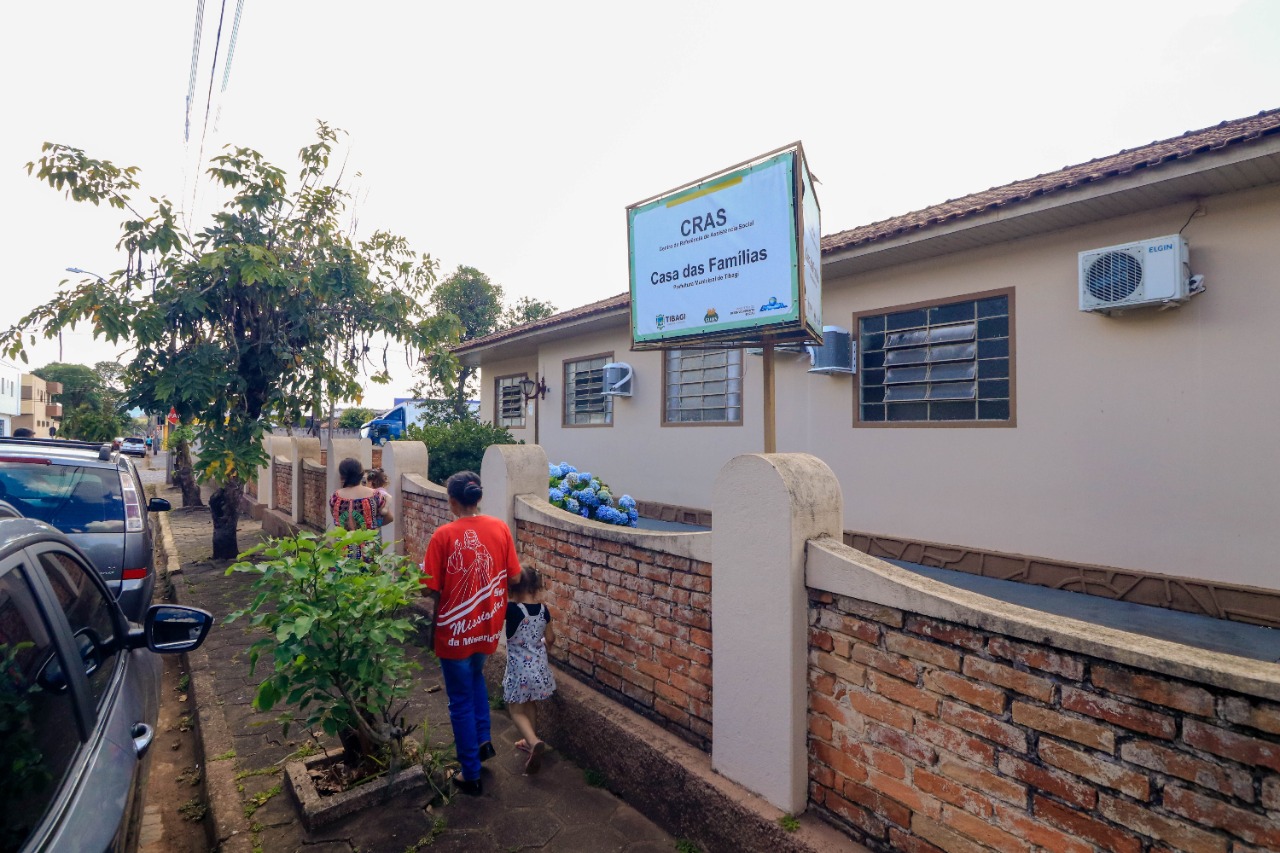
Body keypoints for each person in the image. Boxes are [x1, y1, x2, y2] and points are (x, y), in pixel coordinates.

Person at [421, 471, 522, 796]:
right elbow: (516, 577)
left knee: (460, 700)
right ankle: (483, 742)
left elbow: (428, 588)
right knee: (476, 679)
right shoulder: (500, 528)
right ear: (478, 497)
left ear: (452, 502)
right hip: (487, 629)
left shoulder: (443, 535)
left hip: (454, 634)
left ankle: (470, 773)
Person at [502, 566, 556, 774]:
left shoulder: (512, 610)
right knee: (531, 703)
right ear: (535, 585)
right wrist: (542, 643)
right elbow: (550, 639)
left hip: (518, 671)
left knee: (515, 708)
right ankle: (530, 739)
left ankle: (533, 742)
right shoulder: (544, 610)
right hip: (539, 669)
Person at [329, 457, 392, 560]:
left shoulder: (335, 497)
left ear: (341, 477)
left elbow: (336, 518)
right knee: (369, 575)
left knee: (344, 575)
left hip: (343, 550)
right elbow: (389, 518)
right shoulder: (375, 495)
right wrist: (373, 525)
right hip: (368, 550)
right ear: (361, 474)